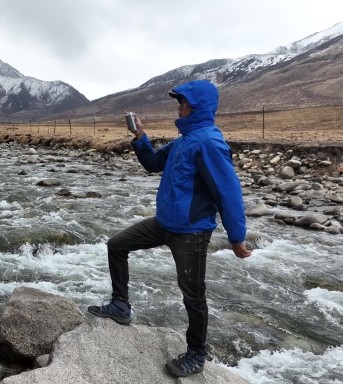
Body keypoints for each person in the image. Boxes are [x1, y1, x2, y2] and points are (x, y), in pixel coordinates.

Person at [87, 79, 252, 377]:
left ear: (197, 106)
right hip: (163, 224)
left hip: (191, 232)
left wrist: (237, 237)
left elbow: (228, 193)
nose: (179, 106)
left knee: (193, 294)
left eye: (183, 102)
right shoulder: (184, 140)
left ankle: (196, 354)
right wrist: (140, 136)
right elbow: (151, 163)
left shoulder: (209, 143)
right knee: (117, 245)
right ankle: (120, 306)